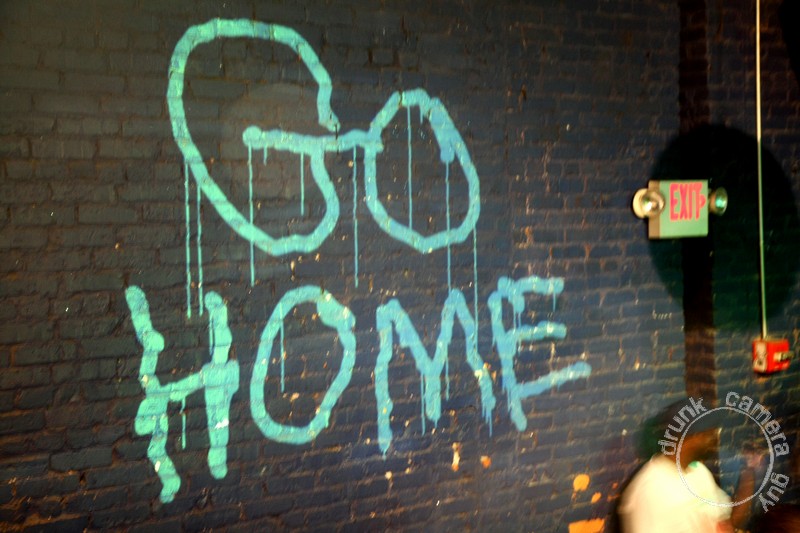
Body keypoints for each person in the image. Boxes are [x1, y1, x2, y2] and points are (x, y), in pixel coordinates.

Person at [619, 399, 755, 533]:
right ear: (691, 438)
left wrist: (749, 471)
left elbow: (727, 523)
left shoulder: (699, 472)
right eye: (710, 434)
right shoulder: (651, 489)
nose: (715, 439)